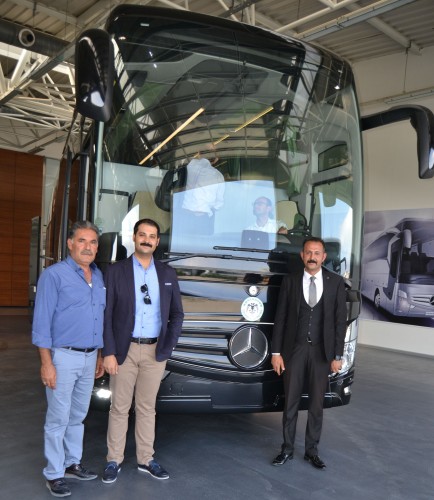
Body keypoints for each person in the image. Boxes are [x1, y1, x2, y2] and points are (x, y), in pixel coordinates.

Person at [101, 218, 184, 484]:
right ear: (134, 237)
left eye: (152, 236)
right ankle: (114, 460)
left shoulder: (167, 274)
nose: (146, 240)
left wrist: (168, 346)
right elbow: (106, 314)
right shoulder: (116, 271)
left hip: (154, 351)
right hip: (123, 350)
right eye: (142, 235)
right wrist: (108, 352)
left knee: (147, 408)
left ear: (157, 242)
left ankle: (146, 459)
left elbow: (177, 314)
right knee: (119, 407)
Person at [32, 221, 106, 498]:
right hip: (62, 357)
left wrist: (99, 355)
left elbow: (98, 318)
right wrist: (46, 363)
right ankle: (54, 473)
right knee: (58, 418)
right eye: (82, 240)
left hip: (90, 357)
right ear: (70, 243)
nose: (88, 247)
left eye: (93, 242)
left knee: (78, 416)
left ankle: (72, 463)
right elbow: (42, 323)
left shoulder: (98, 275)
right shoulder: (54, 276)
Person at [271, 236, 347, 469]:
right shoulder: (290, 281)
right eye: (308, 252)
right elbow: (280, 318)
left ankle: (311, 451)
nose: (312, 257)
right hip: (294, 350)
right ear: (302, 255)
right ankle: (287, 449)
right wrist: (276, 353)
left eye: (317, 253)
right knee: (291, 402)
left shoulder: (336, 282)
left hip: (322, 353)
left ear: (323, 257)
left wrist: (337, 356)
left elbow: (340, 322)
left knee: (316, 405)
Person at [181, 156, 225, 234]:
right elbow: (219, 204)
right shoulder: (217, 175)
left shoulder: (188, 167)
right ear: (215, 159)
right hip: (203, 218)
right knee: (204, 240)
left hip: (184, 214)